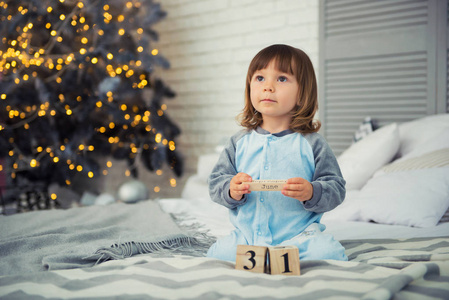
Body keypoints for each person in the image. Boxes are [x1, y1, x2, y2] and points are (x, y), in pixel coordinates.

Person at [207, 44, 347, 262]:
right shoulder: (238, 142)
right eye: (260, 78)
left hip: (300, 237)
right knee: (217, 255)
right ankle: (263, 258)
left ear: (303, 93)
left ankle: (283, 257)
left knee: (330, 254)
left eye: (281, 79)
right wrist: (231, 189)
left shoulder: (313, 144)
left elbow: (336, 188)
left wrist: (312, 191)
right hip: (248, 237)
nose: (268, 87)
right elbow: (216, 183)